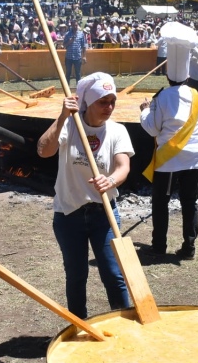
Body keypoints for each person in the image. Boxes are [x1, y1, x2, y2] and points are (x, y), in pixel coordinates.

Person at [36, 72, 132, 319]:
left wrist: (109, 179)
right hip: (69, 213)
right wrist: (63, 115)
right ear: (89, 102)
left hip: (105, 214)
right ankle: (79, 326)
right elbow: (43, 151)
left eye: (112, 101)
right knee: (76, 275)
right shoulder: (70, 125)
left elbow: (123, 166)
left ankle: (126, 327)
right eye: (103, 101)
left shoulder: (117, 130)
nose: (109, 107)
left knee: (113, 273)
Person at [140, 22, 198, 259]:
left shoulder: (162, 96)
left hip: (170, 157)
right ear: (188, 75)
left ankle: (159, 246)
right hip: (196, 155)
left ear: (168, 75)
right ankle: (189, 248)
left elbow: (152, 129)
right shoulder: (197, 96)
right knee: (190, 202)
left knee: (161, 202)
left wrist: (145, 110)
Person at [63, 19, 88, 84]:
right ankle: (67, 88)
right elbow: (64, 45)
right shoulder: (67, 34)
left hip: (77, 57)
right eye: (74, 25)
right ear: (71, 25)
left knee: (78, 73)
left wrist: (84, 56)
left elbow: (84, 46)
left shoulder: (81, 34)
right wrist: (70, 41)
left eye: (76, 25)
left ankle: (79, 89)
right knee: (68, 73)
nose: (75, 27)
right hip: (69, 57)